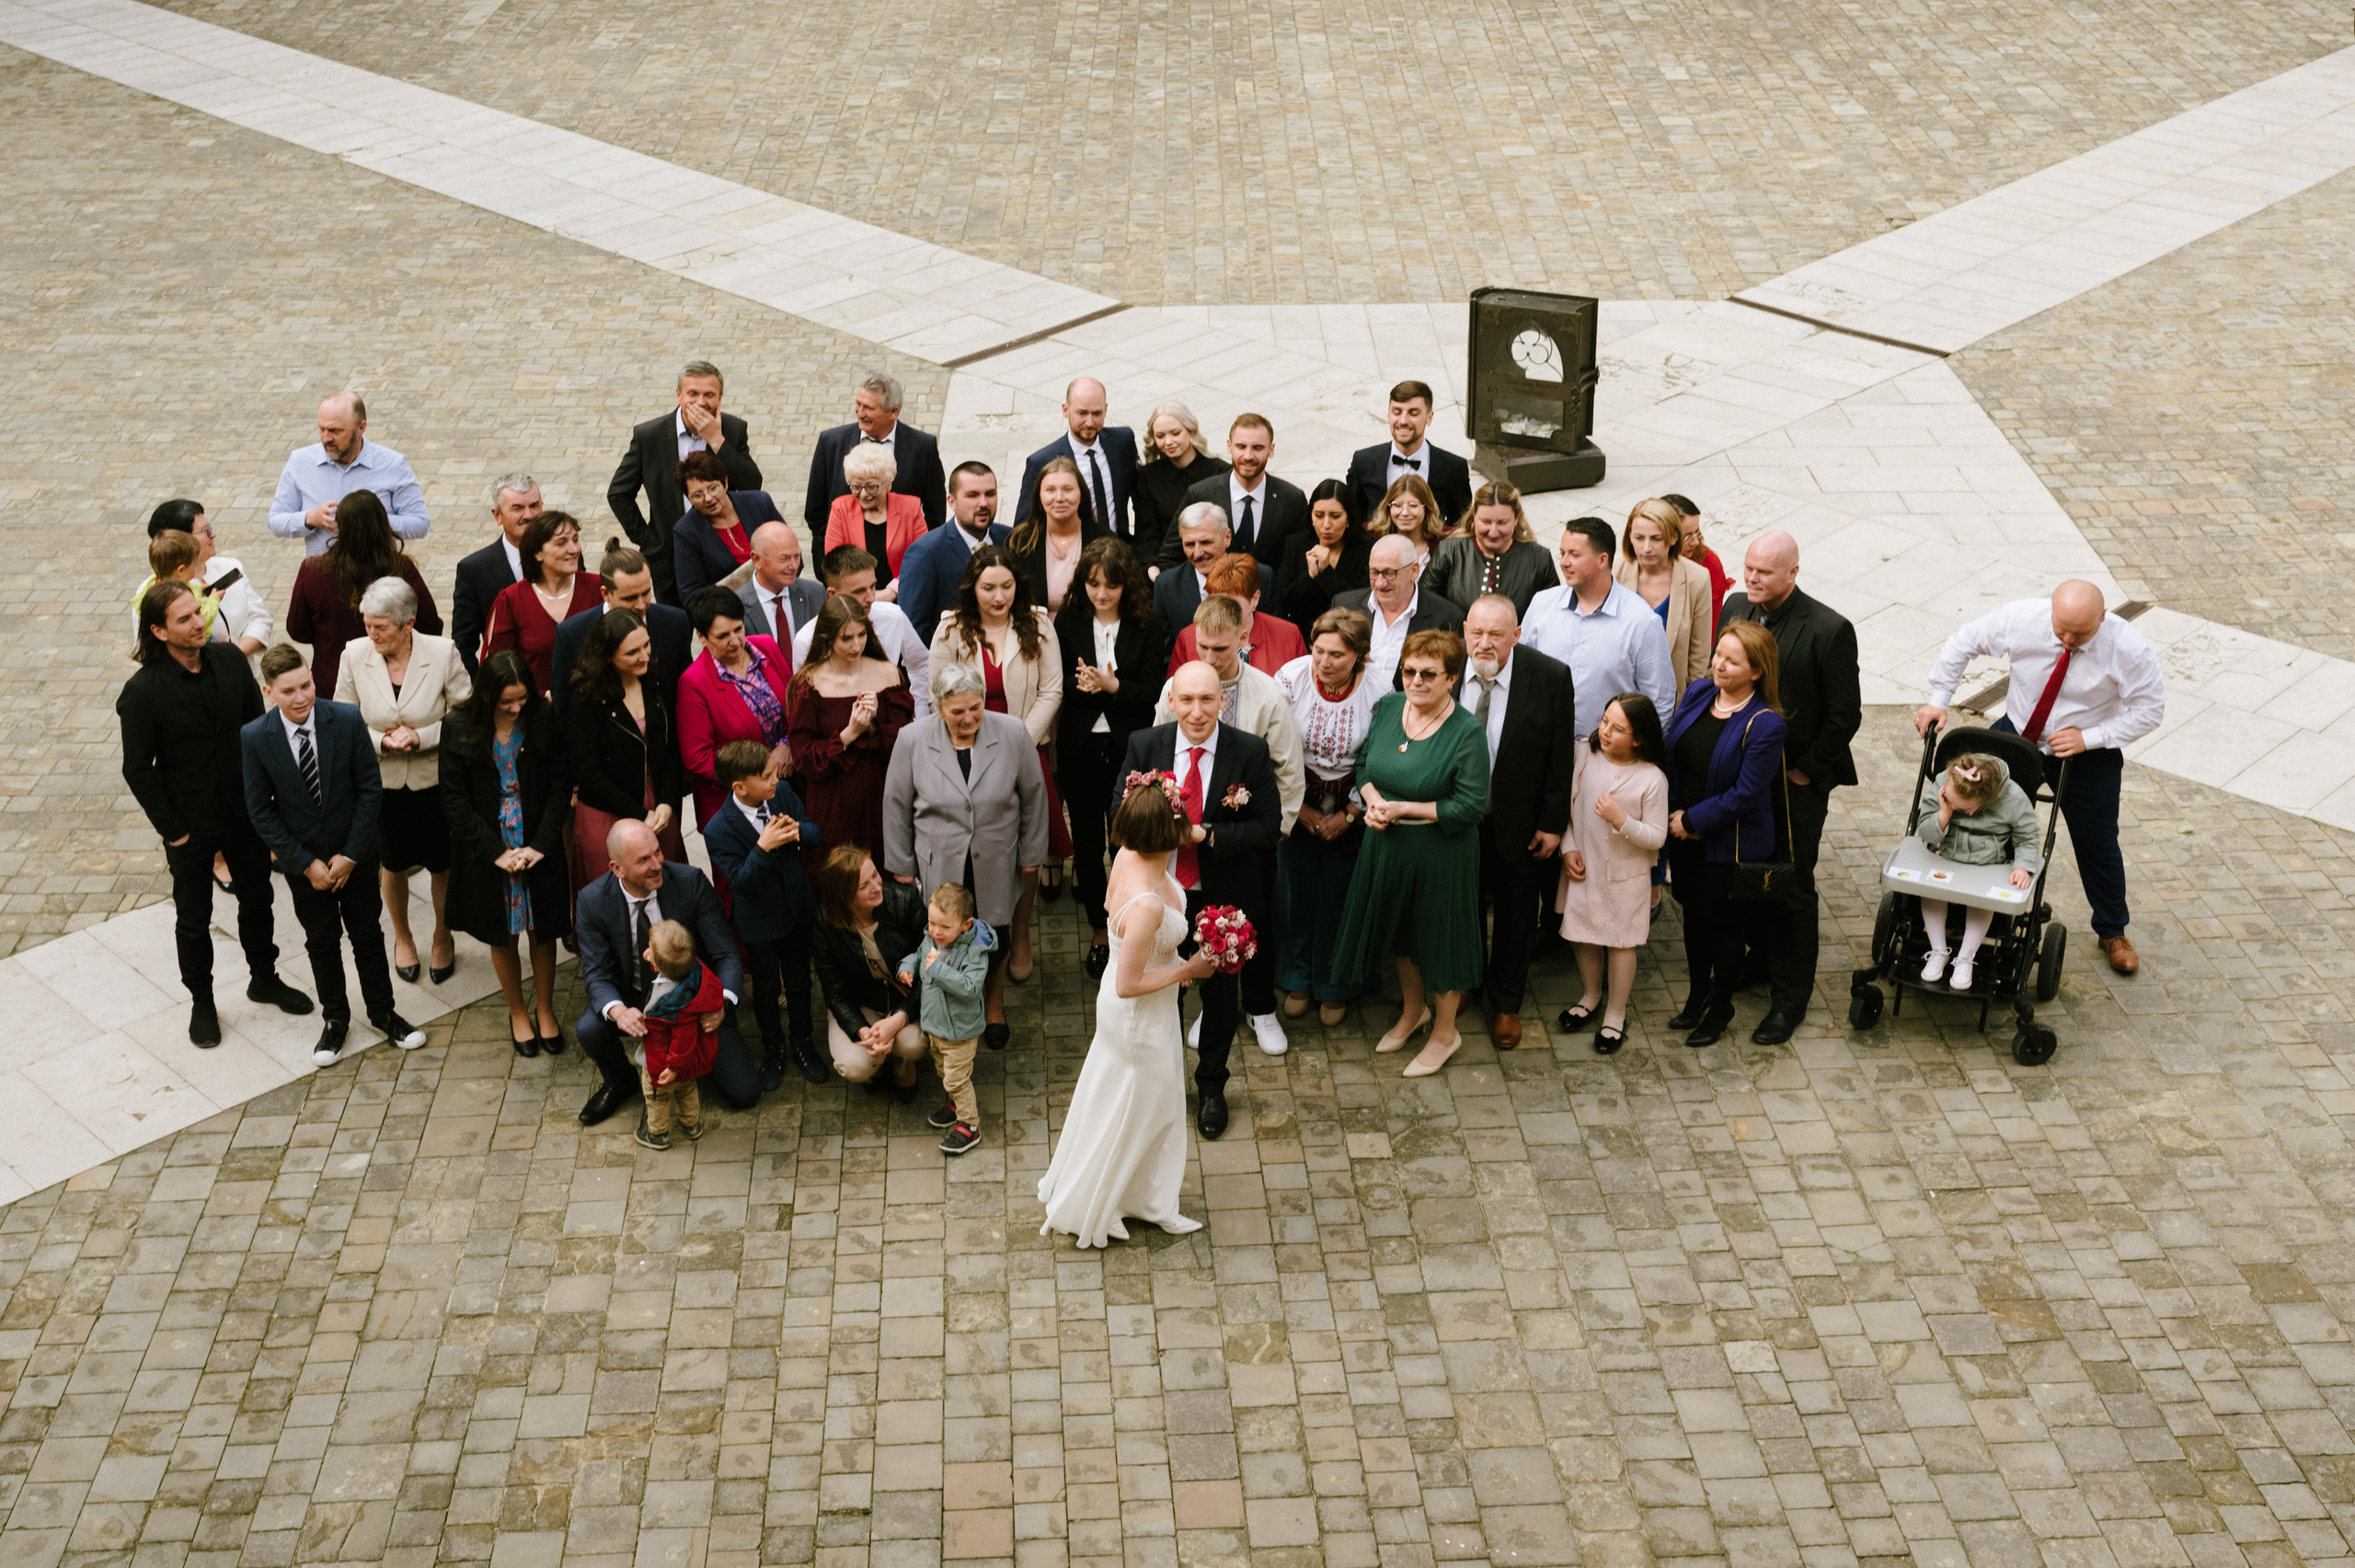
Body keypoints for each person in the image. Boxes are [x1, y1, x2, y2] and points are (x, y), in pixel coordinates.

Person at [1916, 580, 2165, 975]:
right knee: (1974, 814)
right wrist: (1938, 701)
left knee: (2098, 841)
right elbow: (1964, 642)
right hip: (2018, 735)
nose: (2068, 641)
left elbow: (2150, 709)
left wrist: (2090, 737)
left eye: (2080, 634)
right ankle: (1962, 906)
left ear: (2103, 617)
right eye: (2061, 630)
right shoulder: (2021, 618)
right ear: (2051, 608)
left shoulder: (2128, 648)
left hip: (2087, 751)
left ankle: (2112, 931)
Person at [120, 581, 312, 1047]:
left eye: (197, 611)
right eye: (184, 618)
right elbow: (137, 769)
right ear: (159, 631)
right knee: (193, 918)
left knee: (258, 899)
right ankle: (202, 1002)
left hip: (245, 813)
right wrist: (175, 832)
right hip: (190, 824)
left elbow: (257, 731)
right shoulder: (142, 691)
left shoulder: (229, 660)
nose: (199, 621)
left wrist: (267, 804)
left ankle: (264, 978)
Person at [1035, 775, 1220, 1247]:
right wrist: (1187, 969)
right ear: (1170, 833)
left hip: (1144, 1010)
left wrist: (1163, 958)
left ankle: (1128, 1198)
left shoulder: (1125, 856)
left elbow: (1106, 907)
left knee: (1123, 1103)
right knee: (1153, 1110)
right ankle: (1119, 1202)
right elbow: (1127, 983)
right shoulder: (1148, 906)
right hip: (1137, 1016)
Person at [242, 645, 428, 1066]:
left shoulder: (344, 719)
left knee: (367, 936)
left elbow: (369, 790)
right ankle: (335, 1020)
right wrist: (305, 864)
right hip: (306, 867)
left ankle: (383, 1013)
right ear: (268, 692)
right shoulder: (254, 738)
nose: (301, 697)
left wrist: (351, 855)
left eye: (306, 685)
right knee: (321, 941)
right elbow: (261, 811)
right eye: (288, 691)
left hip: (355, 858)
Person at [1120, 662, 1282, 1139]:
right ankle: (1163, 1084)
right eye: (1187, 700)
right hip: (1161, 892)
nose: (1196, 711)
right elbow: (1118, 812)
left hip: (1222, 895)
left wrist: (1208, 834)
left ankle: (1212, 1085)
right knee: (1161, 993)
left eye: (1207, 700)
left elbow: (1268, 827)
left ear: (1222, 702)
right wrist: (1160, 829)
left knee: (1220, 997)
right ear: (1171, 701)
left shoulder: (1249, 751)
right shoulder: (1144, 745)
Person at [1717, 530, 1861, 1043]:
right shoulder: (1736, 606)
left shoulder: (1828, 630)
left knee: (1792, 888)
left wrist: (1805, 771)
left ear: (1792, 574)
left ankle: (1790, 998)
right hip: (1742, 777)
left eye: (1764, 572)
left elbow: (1845, 715)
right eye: (1749, 568)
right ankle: (1760, 959)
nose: (1752, 578)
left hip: (1792, 782)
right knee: (1745, 875)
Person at [1329, 630, 1491, 1078]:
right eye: (1409, 671)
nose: (1416, 681)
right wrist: (1373, 803)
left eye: (1429, 674)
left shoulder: (1466, 732)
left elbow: (1471, 806)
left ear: (1452, 679)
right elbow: (1364, 766)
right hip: (1388, 843)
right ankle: (1413, 1011)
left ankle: (1446, 1032)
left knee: (1440, 941)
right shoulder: (1387, 708)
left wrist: (1403, 808)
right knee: (1401, 933)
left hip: (1442, 852)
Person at [1154, 594, 1307, 1058]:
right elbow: (1161, 756)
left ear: (1244, 639)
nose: (1209, 657)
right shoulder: (1175, 689)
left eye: (1220, 649)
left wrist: (1270, 837)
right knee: (1194, 923)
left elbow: (1288, 773)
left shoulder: (1269, 696)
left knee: (1255, 924)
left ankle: (1260, 1007)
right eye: (1201, 647)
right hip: (1186, 842)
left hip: (1250, 839)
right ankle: (1212, 1005)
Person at [886, 663, 1049, 1049]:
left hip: (995, 861)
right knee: (943, 937)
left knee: (995, 936)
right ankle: (948, 1007)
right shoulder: (911, 739)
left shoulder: (1012, 732)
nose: (968, 718)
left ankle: (993, 1004)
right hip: (940, 862)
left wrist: (1031, 853)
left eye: (975, 708)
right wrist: (902, 865)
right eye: (957, 711)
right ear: (938, 707)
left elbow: (1034, 797)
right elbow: (895, 805)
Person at [927, 544, 1065, 971]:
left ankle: (1019, 933)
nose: (999, 596)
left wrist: (1015, 743)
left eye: (1007, 586)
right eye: (988, 587)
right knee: (984, 848)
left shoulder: (1037, 624)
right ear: (973, 588)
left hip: (1028, 749)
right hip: (967, 755)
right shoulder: (950, 630)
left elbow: (1052, 690)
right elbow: (937, 695)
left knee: (1028, 851)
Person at [573, 818, 758, 1125]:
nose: (657, 864)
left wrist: (721, 1004)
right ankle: (621, 1082)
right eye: (643, 860)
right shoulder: (592, 902)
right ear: (617, 868)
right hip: (635, 1000)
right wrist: (619, 1012)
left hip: (694, 1004)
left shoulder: (690, 882)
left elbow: (726, 954)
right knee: (590, 1029)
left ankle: (691, 1063)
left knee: (745, 1092)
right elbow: (596, 974)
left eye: (657, 852)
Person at [334, 577, 470, 987]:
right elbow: (343, 718)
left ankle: (442, 936)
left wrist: (422, 736)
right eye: (367, 625)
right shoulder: (354, 653)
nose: (371, 634)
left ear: (408, 624)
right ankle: (403, 937)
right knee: (391, 864)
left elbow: (466, 715)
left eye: (380, 627)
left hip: (434, 781)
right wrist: (380, 741)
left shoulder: (442, 653)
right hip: (382, 783)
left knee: (441, 864)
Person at [1458, 595, 1579, 1050]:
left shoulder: (1549, 677)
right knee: (1464, 907)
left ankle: (1506, 1002)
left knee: (1516, 915)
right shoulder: (1443, 667)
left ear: (1517, 635)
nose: (1484, 643)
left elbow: (1559, 757)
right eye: (1476, 632)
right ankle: (1468, 981)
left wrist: (1553, 823)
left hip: (1520, 823)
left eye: (1496, 634)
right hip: (1457, 819)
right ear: (1465, 630)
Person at [1661, 624, 1790, 1048]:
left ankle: (1720, 1008)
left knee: (1723, 928)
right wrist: (1673, 815)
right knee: (1693, 920)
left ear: (1756, 671)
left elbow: (1746, 794)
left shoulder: (1766, 724)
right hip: (1682, 834)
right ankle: (1697, 996)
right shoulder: (1700, 692)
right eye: (1718, 654)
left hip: (1724, 846)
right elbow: (1673, 755)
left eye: (1732, 661)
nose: (1718, 664)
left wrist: (1692, 821)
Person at [440, 650, 569, 1058]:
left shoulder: (542, 717)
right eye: (506, 702)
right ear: (486, 696)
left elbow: (559, 784)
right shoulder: (457, 726)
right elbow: (454, 800)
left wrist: (542, 845)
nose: (516, 708)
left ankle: (545, 1008)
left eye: (522, 699)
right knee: (503, 932)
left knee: (542, 928)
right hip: (488, 849)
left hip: (537, 841)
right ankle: (517, 1011)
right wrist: (495, 851)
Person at [1055, 538, 1166, 979]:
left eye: (1111, 585)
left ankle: (1127, 925)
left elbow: (1153, 690)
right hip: (1081, 746)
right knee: (1086, 845)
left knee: (1127, 845)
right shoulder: (1069, 619)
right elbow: (1057, 678)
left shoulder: (1146, 622)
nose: (1101, 593)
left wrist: (1112, 686)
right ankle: (1100, 931)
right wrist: (1082, 684)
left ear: (1127, 585)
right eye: (1093, 584)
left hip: (1128, 748)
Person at [1272, 609, 1378, 1026]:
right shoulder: (1290, 678)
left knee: (1341, 895)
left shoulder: (1379, 689)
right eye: (1319, 650)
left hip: (1353, 802)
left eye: (1337, 655)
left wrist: (1350, 814)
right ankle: (1297, 978)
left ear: (1359, 655)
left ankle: (1336, 985)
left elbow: (1379, 757)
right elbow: (1271, 746)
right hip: (1296, 796)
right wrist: (1299, 809)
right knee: (1294, 893)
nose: (1324, 662)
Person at [700, 740, 824, 1088]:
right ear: (740, 787)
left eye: (773, 773)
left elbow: (814, 832)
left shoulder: (781, 794)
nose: (775, 780)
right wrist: (763, 848)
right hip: (759, 924)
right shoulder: (717, 830)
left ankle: (803, 1042)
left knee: (800, 984)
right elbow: (740, 883)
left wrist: (796, 831)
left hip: (797, 911)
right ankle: (773, 1048)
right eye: (766, 776)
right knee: (766, 991)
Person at [1555, 694, 1671, 1055]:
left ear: (1638, 738)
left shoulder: (1652, 779)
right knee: (1585, 935)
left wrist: (1621, 820)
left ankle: (1615, 1014)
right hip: (1585, 866)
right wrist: (1568, 847)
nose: (1605, 731)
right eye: (1605, 721)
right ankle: (1590, 996)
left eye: (1618, 729)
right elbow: (1565, 808)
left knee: (1621, 942)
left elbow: (1657, 836)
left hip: (1626, 876)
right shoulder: (1584, 755)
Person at [608, 360, 763, 605]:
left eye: (709, 395)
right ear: (678, 395)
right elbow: (618, 493)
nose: (701, 402)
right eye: (693, 394)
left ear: (720, 398)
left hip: (724, 558)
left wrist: (717, 441)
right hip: (671, 560)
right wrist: (649, 540)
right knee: (676, 625)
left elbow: (752, 484)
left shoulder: (733, 429)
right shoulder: (649, 436)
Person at [565, 610, 687, 901]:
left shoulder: (655, 679)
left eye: (647, 645)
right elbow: (589, 772)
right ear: (607, 656)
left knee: (668, 891)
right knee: (615, 899)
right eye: (632, 652)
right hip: (608, 810)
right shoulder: (587, 697)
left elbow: (671, 746)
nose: (645, 656)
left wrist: (667, 801)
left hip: (657, 807)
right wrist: (640, 813)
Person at [787, 595, 916, 865]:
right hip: (832, 802)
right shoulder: (809, 682)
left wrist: (872, 727)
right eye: (846, 638)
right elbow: (803, 758)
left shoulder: (888, 673)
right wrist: (849, 733)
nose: (856, 645)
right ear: (828, 637)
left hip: (881, 794)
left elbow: (904, 746)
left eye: (861, 635)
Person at [1522, 517, 1676, 740]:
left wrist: (1637, 751)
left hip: (1606, 752)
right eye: (1562, 553)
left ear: (1603, 560)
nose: (1564, 562)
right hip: (1543, 744)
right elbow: (1521, 670)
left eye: (1575, 555)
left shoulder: (1641, 622)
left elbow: (1660, 700)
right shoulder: (1542, 604)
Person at [284, 489, 441, 701]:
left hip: (333, 683)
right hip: (393, 685)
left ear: (340, 527)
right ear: (383, 525)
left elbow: (297, 630)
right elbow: (430, 626)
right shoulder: (403, 570)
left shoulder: (313, 571)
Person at [1909, 754, 2043, 991]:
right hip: (1946, 853)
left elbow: (2027, 836)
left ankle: (1965, 957)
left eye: (1959, 809)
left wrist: (2022, 865)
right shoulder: (1945, 781)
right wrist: (1944, 813)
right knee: (1931, 888)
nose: (1953, 807)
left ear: (1978, 808)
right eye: (1949, 801)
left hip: (1987, 862)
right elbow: (1925, 832)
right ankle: (1938, 950)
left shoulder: (2012, 798)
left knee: (1983, 898)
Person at [808, 845, 932, 1095]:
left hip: (906, 999)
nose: (877, 887)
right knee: (854, 1066)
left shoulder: (904, 902)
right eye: (864, 886)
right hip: (861, 1003)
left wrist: (899, 1019)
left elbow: (931, 970)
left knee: (913, 1044)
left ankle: (900, 1058)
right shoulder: (824, 922)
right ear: (843, 896)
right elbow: (834, 992)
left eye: (875, 875)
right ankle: (878, 1061)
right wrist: (865, 1033)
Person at [677, 588, 793, 835]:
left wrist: (787, 744)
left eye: (738, 629)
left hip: (790, 784)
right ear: (701, 637)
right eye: (722, 636)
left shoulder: (766, 647)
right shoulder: (694, 683)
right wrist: (758, 772)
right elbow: (698, 757)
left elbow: (796, 704)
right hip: (738, 805)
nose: (735, 641)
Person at [897, 882, 996, 1157]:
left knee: (956, 1080)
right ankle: (956, 1105)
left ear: (965, 925)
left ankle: (970, 1125)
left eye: (944, 926)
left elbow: (970, 987)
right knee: (945, 1073)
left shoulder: (975, 951)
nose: (936, 932)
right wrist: (907, 966)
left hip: (960, 1032)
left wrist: (938, 971)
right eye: (932, 923)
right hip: (936, 1026)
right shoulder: (933, 939)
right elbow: (919, 955)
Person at [548, 541, 695, 724]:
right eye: (630, 598)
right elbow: (563, 709)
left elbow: (686, 694)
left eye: (646, 593)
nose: (641, 605)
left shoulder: (675, 623)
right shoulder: (572, 634)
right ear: (605, 594)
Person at [268, 391, 430, 555]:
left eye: (335, 431)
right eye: (321, 429)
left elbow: (420, 523)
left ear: (361, 427)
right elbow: (275, 520)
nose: (326, 438)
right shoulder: (300, 461)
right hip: (321, 568)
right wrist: (310, 518)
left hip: (377, 568)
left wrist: (373, 522)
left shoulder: (394, 464)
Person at [791, 546, 934, 716]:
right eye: (858, 591)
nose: (870, 597)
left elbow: (921, 665)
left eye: (872, 586)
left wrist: (921, 713)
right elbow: (804, 701)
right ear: (832, 594)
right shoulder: (807, 639)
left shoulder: (893, 617)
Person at [804, 371, 947, 538]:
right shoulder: (830, 443)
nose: (860, 412)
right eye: (858, 404)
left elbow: (935, 516)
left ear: (893, 411)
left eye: (868, 408)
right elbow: (815, 512)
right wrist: (835, 547)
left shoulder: (923, 448)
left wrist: (916, 550)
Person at [1164, 414, 1304, 573]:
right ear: (1229, 446)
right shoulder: (1200, 494)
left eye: (1257, 448)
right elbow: (1170, 556)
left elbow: (1298, 564)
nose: (1248, 456)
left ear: (1271, 449)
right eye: (1241, 447)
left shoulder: (1292, 499)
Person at [480, 510, 601, 696]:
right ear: (537, 553)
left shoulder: (599, 588)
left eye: (575, 540)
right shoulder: (511, 600)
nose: (574, 549)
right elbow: (496, 670)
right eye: (561, 543)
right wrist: (542, 697)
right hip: (535, 707)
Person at [628, 920, 724, 1150]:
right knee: (687, 1089)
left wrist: (672, 1067)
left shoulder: (672, 1006)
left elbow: (683, 1040)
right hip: (684, 1064)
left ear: (658, 965)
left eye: (650, 949)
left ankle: (658, 1133)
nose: (647, 951)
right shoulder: (691, 971)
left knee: (657, 1097)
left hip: (663, 1060)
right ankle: (692, 1124)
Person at [1330, 534, 1465, 692]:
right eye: (1374, 572)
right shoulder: (1345, 605)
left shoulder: (1447, 617)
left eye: (1389, 573)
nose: (1380, 583)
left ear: (1414, 571)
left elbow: (1449, 685)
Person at [144, 499, 271, 662]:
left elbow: (260, 620)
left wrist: (234, 655)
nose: (213, 534)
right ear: (180, 540)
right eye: (206, 531)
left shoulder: (230, 567)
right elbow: (152, 653)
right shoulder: (152, 593)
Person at [898, 463, 1008, 643]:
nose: (983, 503)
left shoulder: (1011, 540)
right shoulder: (925, 553)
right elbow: (913, 630)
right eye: (972, 495)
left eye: (990, 494)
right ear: (951, 501)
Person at [1018, 377, 1137, 540]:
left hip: (1120, 547)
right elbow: (1023, 527)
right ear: (1065, 410)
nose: (1089, 422)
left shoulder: (1123, 442)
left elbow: (1141, 498)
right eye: (1082, 413)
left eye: (1097, 413)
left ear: (1106, 409)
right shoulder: (1041, 462)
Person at [1616, 498, 1714, 689]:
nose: (1646, 548)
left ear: (1674, 537)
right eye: (1639, 538)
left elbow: (1699, 654)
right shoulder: (1615, 569)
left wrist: (1690, 700)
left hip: (1671, 692)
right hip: (1621, 688)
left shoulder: (1697, 578)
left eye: (1656, 538)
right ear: (1630, 536)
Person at [1346, 380, 1473, 527]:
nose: (1403, 421)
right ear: (1388, 416)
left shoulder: (1454, 468)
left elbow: (1461, 526)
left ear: (1429, 417)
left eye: (1413, 413)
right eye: (1397, 412)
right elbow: (1353, 521)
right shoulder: (1363, 462)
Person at [450, 475, 540, 679]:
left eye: (534, 506)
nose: (529, 515)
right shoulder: (475, 570)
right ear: (497, 515)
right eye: (517, 508)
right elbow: (463, 644)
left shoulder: (567, 556)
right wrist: (481, 688)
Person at [1425, 480, 1557, 618]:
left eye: (1502, 523)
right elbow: (1424, 606)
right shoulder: (1450, 551)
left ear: (1516, 519)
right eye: (1486, 522)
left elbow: (1553, 616)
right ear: (1474, 516)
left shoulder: (1539, 559)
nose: (1493, 532)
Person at [673, 449, 789, 605]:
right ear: (689, 499)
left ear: (725, 482)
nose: (708, 498)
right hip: (732, 610)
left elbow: (791, 552)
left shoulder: (760, 503)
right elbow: (692, 596)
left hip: (781, 595)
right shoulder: (685, 532)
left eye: (713, 488)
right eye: (698, 495)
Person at [1165, 555, 1306, 679]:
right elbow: (1175, 690)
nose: (1224, 610)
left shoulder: (1288, 635)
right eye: (1217, 601)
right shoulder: (1189, 637)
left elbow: (1304, 690)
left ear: (1255, 599)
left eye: (1232, 603)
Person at [1132, 400, 1229, 573]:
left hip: (1215, 565)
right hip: (1167, 568)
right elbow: (1146, 533)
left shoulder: (1220, 471)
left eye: (1175, 433)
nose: (1168, 442)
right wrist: (1153, 569)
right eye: (1160, 436)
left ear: (1190, 430)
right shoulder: (1149, 475)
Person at [1274, 480, 1371, 648]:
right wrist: (1309, 576)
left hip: (1349, 642)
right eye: (1319, 515)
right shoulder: (1295, 544)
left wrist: (1325, 573)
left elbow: (1360, 607)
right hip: (1301, 643)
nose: (1326, 525)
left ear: (1349, 517)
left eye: (1335, 516)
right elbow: (1283, 603)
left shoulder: (1367, 550)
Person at [1007, 455, 1109, 617]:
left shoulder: (1105, 540)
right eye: (1050, 490)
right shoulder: (1019, 542)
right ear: (1039, 496)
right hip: (1032, 631)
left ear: (1081, 495)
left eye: (1068, 489)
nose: (1059, 498)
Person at [822, 441, 925, 593]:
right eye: (856, 487)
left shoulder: (911, 508)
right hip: (855, 596)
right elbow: (835, 564)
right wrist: (866, 594)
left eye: (871, 487)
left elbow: (921, 559)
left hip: (905, 592)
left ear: (888, 483)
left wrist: (892, 591)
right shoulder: (840, 509)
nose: (864, 494)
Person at [1151, 502, 1234, 657]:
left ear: (1227, 538)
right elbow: (1163, 654)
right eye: (1189, 544)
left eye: (1205, 542)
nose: (1197, 553)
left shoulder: (1259, 578)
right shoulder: (1167, 586)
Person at [736, 521, 826, 647]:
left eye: (797, 556)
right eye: (784, 559)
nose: (794, 566)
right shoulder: (737, 606)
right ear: (757, 560)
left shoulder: (816, 594)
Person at [1662, 494, 1732, 624]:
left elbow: (1710, 625)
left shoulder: (1708, 564)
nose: (1695, 542)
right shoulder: (1642, 562)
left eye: (1697, 532)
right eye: (1687, 536)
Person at [1365, 474, 1450, 565]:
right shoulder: (1369, 535)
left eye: (1413, 505)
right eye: (1398, 505)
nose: (1405, 513)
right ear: (1388, 507)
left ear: (1427, 508)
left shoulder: (1448, 540)